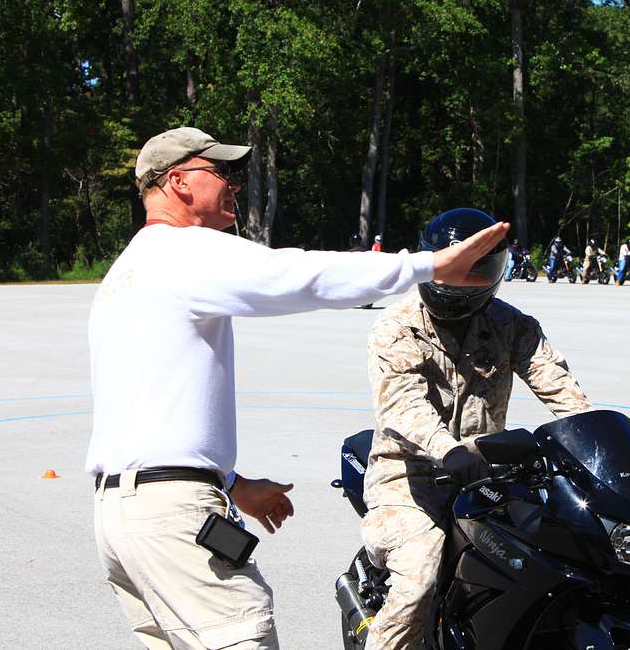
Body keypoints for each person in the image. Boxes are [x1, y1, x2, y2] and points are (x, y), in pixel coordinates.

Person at [86, 127, 509, 650]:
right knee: (242, 635)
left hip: (124, 516)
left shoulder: (129, 271)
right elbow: (296, 275)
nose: (234, 185)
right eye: (221, 173)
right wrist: (427, 266)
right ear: (178, 182)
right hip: (171, 515)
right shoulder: (183, 251)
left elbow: (144, 412)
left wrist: (232, 482)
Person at [359, 208, 592, 650]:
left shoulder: (512, 325)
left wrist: (598, 438)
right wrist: (447, 449)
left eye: (475, 269)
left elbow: (558, 386)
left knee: (551, 564)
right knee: (420, 577)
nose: (460, 280)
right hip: (410, 478)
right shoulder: (396, 326)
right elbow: (402, 405)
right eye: (452, 265)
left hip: (487, 473)